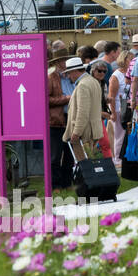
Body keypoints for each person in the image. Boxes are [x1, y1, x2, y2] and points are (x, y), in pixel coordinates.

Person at [64, 58, 103, 174]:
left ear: (75, 71)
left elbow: (83, 111)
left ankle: (90, 188)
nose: (68, 76)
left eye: (69, 73)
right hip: (93, 129)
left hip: (84, 133)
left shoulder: (83, 85)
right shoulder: (93, 81)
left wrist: (76, 132)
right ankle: (95, 187)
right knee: (92, 162)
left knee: (85, 165)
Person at [46, 49, 73, 188]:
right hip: (56, 120)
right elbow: (46, 99)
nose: (66, 62)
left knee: (70, 153)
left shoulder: (70, 76)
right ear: (57, 62)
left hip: (70, 118)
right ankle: (55, 185)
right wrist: (66, 99)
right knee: (55, 155)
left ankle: (67, 182)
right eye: (64, 60)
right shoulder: (51, 77)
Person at [107, 50, 132, 165]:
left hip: (128, 107)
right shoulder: (116, 76)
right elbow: (111, 96)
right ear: (124, 60)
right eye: (130, 59)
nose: (132, 61)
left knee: (127, 133)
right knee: (119, 134)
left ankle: (126, 156)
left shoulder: (131, 73)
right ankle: (117, 158)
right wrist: (113, 112)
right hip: (118, 108)